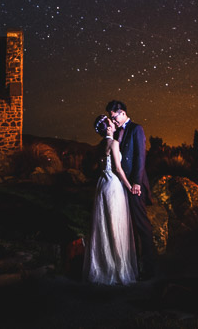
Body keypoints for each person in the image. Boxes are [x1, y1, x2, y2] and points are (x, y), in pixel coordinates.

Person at [83, 114, 139, 285]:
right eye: (110, 122)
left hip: (102, 185)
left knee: (104, 225)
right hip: (113, 186)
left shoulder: (99, 146)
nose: (114, 123)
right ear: (107, 128)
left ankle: (104, 266)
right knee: (116, 225)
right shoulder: (114, 144)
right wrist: (130, 187)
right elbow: (118, 169)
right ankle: (118, 269)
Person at [106, 100, 156, 279]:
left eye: (114, 116)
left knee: (142, 225)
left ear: (122, 112)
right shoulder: (118, 132)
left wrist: (136, 182)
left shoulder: (136, 129)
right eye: (111, 118)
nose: (114, 120)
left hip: (135, 185)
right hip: (122, 186)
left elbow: (140, 156)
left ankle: (150, 268)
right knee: (130, 227)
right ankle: (134, 266)